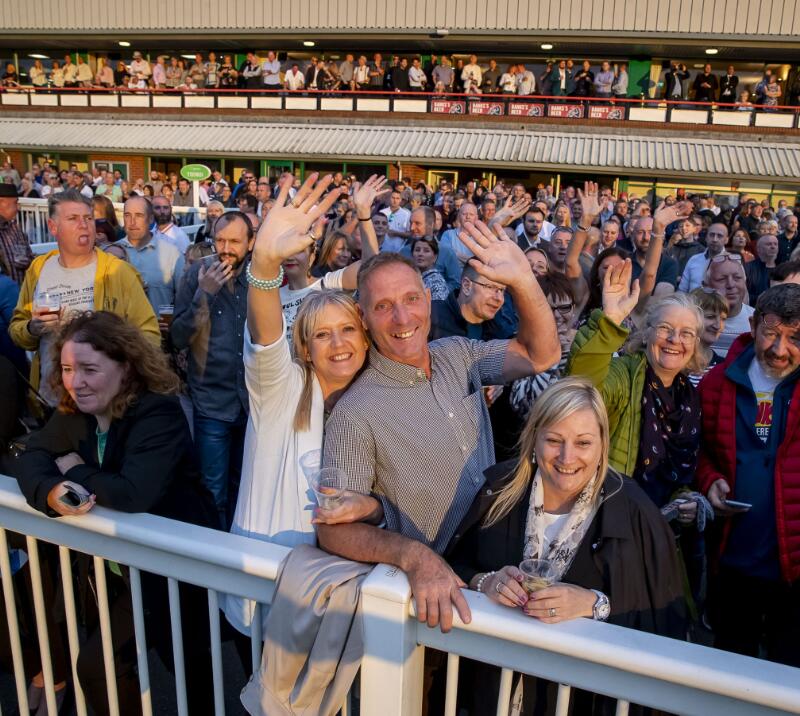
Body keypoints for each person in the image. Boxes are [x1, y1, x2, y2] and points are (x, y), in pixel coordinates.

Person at [318, 219, 560, 634]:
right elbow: (333, 532)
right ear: (363, 317)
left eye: (412, 298)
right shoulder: (355, 413)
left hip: (502, 577)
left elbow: (542, 354)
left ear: (429, 299)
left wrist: (522, 279)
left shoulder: (457, 353)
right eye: (382, 306)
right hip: (437, 604)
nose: (401, 317)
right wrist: (414, 557)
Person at [11, 311, 217, 716]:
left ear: (125, 366)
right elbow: (31, 453)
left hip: (178, 568)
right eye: (68, 368)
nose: (75, 381)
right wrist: (52, 490)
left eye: (89, 368)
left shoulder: (158, 411)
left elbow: (132, 492)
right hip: (126, 572)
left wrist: (75, 470)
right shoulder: (74, 409)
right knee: (97, 667)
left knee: (195, 676)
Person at [446, 377, 687, 714]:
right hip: (493, 693)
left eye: (583, 442)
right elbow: (452, 568)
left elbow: (665, 619)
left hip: (581, 701)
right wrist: (484, 582)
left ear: (603, 443)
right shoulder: (498, 491)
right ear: (534, 439)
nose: (567, 457)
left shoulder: (635, 511)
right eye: (554, 440)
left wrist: (595, 604)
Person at [223, 173, 383, 638]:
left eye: (348, 330)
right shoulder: (282, 392)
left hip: (330, 606)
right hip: (260, 604)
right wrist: (264, 261)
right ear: (306, 346)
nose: (338, 344)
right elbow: (267, 336)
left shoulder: (371, 404)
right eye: (321, 334)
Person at [567, 261, 708, 597]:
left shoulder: (689, 396)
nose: (675, 340)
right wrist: (609, 321)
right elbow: (581, 385)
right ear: (646, 333)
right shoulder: (624, 374)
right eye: (665, 329)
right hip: (606, 531)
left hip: (659, 539)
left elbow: (681, 472)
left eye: (686, 333)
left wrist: (687, 501)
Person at [697, 284, 800, 668]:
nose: (779, 349)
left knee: (787, 679)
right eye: (771, 333)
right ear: (754, 325)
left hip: (794, 569)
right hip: (733, 560)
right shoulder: (715, 383)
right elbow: (700, 451)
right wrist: (709, 480)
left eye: (795, 338)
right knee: (731, 670)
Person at [9, 190, 159, 405]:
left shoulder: (117, 272)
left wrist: (118, 362)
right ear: (53, 228)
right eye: (73, 219)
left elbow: (150, 335)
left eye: (88, 218)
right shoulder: (39, 269)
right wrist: (33, 328)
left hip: (108, 404)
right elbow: (17, 329)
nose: (84, 225)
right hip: (52, 402)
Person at [171, 212, 255, 528]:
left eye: (234, 241)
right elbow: (178, 338)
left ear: (251, 242)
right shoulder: (196, 275)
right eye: (220, 240)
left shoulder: (262, 279)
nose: (226, 247)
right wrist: (204, 294)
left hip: (251, 403)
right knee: (212, 492)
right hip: (211, 403)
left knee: (244, 491)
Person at [117, 196, 184, 315]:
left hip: (160, 331)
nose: (132, 222)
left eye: (139, 215)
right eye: (127, 215)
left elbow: (185, 298)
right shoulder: (113, 252)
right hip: (121, 331)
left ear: (151, 218)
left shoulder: (172, 253)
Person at [703, 252, 754, 357]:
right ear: (706, 286)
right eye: (722, 279)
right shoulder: (693, 320)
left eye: (737, 278)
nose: (731, 285)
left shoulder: (757, 321)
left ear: (745, 282)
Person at [687, 287, 728, 387]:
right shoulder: (674, 361)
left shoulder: (724, 367)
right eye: (710, 317)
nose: (718, 325)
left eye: (723, 319)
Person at [678, 222, 729, 292]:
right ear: (706, 238)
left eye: (719, 236)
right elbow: (682, 290)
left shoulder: (733, 263)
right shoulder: (694, 260)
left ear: (726, 240)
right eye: (711, 235)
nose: (715, 239)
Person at [0, 182, 34, 284]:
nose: (18, 208)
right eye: (15, 203)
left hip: (23, 293)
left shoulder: (15, 228)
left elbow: (29, 257)